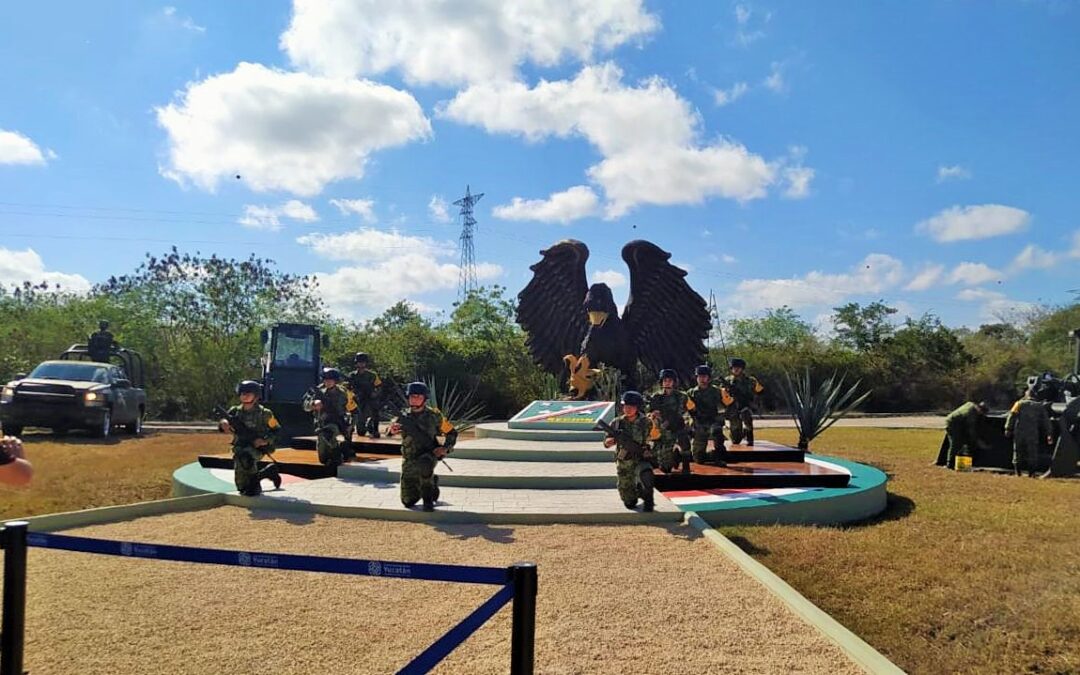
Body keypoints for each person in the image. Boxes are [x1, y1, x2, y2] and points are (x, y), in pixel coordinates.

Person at [388, 382, 457, 512]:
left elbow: (452, 433)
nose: (415, 399)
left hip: (428, 455)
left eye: (418, 397)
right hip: (409, 459)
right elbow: (389, 431)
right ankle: (433, 484)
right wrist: (392, 430)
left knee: (425, 465)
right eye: (412, 396)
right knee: (408, 501)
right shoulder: (403, 417)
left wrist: (445, 448)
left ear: (424, 399)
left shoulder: (435, 416)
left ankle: (428, 499)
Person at [218, 381, 281, 496]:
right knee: (241, 486)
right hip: (240, 446)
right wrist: (223, 424)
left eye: (248, 393)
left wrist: (265, 440)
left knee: (247, 458)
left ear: (256, 396)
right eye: (242, 393)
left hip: (259, 447)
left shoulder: (265, 413)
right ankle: (268, 472)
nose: (244, 395)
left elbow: (277, 430)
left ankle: (255, 486)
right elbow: (223, 424)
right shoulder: (235, 411)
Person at [603, 390, 660, 511]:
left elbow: (656, 438)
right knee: (629, 502)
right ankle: (639, 492)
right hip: (624, 462)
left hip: (641, 458)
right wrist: (609, 442)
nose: (627, 409)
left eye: (631, 406)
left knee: (646, 474)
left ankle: (648, 496)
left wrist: (649, 450)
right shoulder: (617, 423)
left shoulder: (646, 422)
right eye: (625, 406)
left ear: (637, 407)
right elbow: (606, 442)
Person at [303, 367, 357, 466]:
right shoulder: (317, 391)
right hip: (321, 423)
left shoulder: (344, 393)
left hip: (337, 423)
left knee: (328, 433)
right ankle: (341, 446)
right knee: (323, 459)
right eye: (325, 379)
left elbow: (354, 411)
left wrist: (351, 426)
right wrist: (313, 404)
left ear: (335, 381)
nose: (327, 382)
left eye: (330, 380)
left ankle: (338, 454)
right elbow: (305, 406)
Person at [647, 368, 694, 475]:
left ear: (674, 382)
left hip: (679, 426)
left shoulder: (682, 396)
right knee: (665, 468)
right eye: (665, 380)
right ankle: (674, 456)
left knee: (685, 443)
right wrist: (653, 415)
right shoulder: (656, 397)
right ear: (661, 382)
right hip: (664, 429)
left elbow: (692, 410)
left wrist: (690, 423)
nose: (667, 383)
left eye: (670, 380)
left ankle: (686, 464)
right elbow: (649, 413)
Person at [686, 364, 732, 466]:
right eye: (700, 376)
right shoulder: (691, 393)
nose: (702, 379)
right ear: (696, 378)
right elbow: (687, 410)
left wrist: (728, 393)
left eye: (705, 376)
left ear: (709, 378)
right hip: (699, 424)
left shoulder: (717, 391)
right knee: (698, 458)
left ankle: (719, 457)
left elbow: (728, 405)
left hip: (713, 421)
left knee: (717, 431)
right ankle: (711, 455)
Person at [1005, 390, 1053, 477]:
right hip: (1032, 433)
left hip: (1019, 432)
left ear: (1026, 395)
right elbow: (1046, 421)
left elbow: (1012, 415)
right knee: (1032, 453)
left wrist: (1008, 428)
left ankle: (1018, 473)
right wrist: (1049, 433)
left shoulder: (1018, 404)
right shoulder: (1039, 406)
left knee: (1017, 452)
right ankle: (1031, 473)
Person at [724, 357, 764, 446]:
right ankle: (741, 434)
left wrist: (755, 403)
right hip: (733, 408)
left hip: (746, 406)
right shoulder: (727, 381)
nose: (736, 369)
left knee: (748, 423)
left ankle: (749, 437)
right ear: (731, 368)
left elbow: (760, 391)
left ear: (742, 368)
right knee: (735, 439)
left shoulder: (750, 380)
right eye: (734, 367)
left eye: (738, 367)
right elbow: (720, 394)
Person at [941, 400, 989, 469]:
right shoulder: (971, 414)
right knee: (955, 444)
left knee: (960, 443)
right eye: (982, 412)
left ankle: (958, 463)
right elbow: (971, 430)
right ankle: (950, 464)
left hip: (957, 422)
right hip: (953, 424)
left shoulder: (970, 404)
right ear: (980, 409)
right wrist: (978, 441)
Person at [346, 352, 383, 439]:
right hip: (358, 399)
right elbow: (347, 389)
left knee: (375, 410)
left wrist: (375, 394)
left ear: (366, 363)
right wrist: (353, 394)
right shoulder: (352, 375)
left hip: (370, 398)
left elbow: (379, 387)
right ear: (356, 363)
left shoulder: (372, 375)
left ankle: (374, 428)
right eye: (359, 362)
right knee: (361, 432)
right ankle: (363, 425)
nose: (361, 364)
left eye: (363, 362)